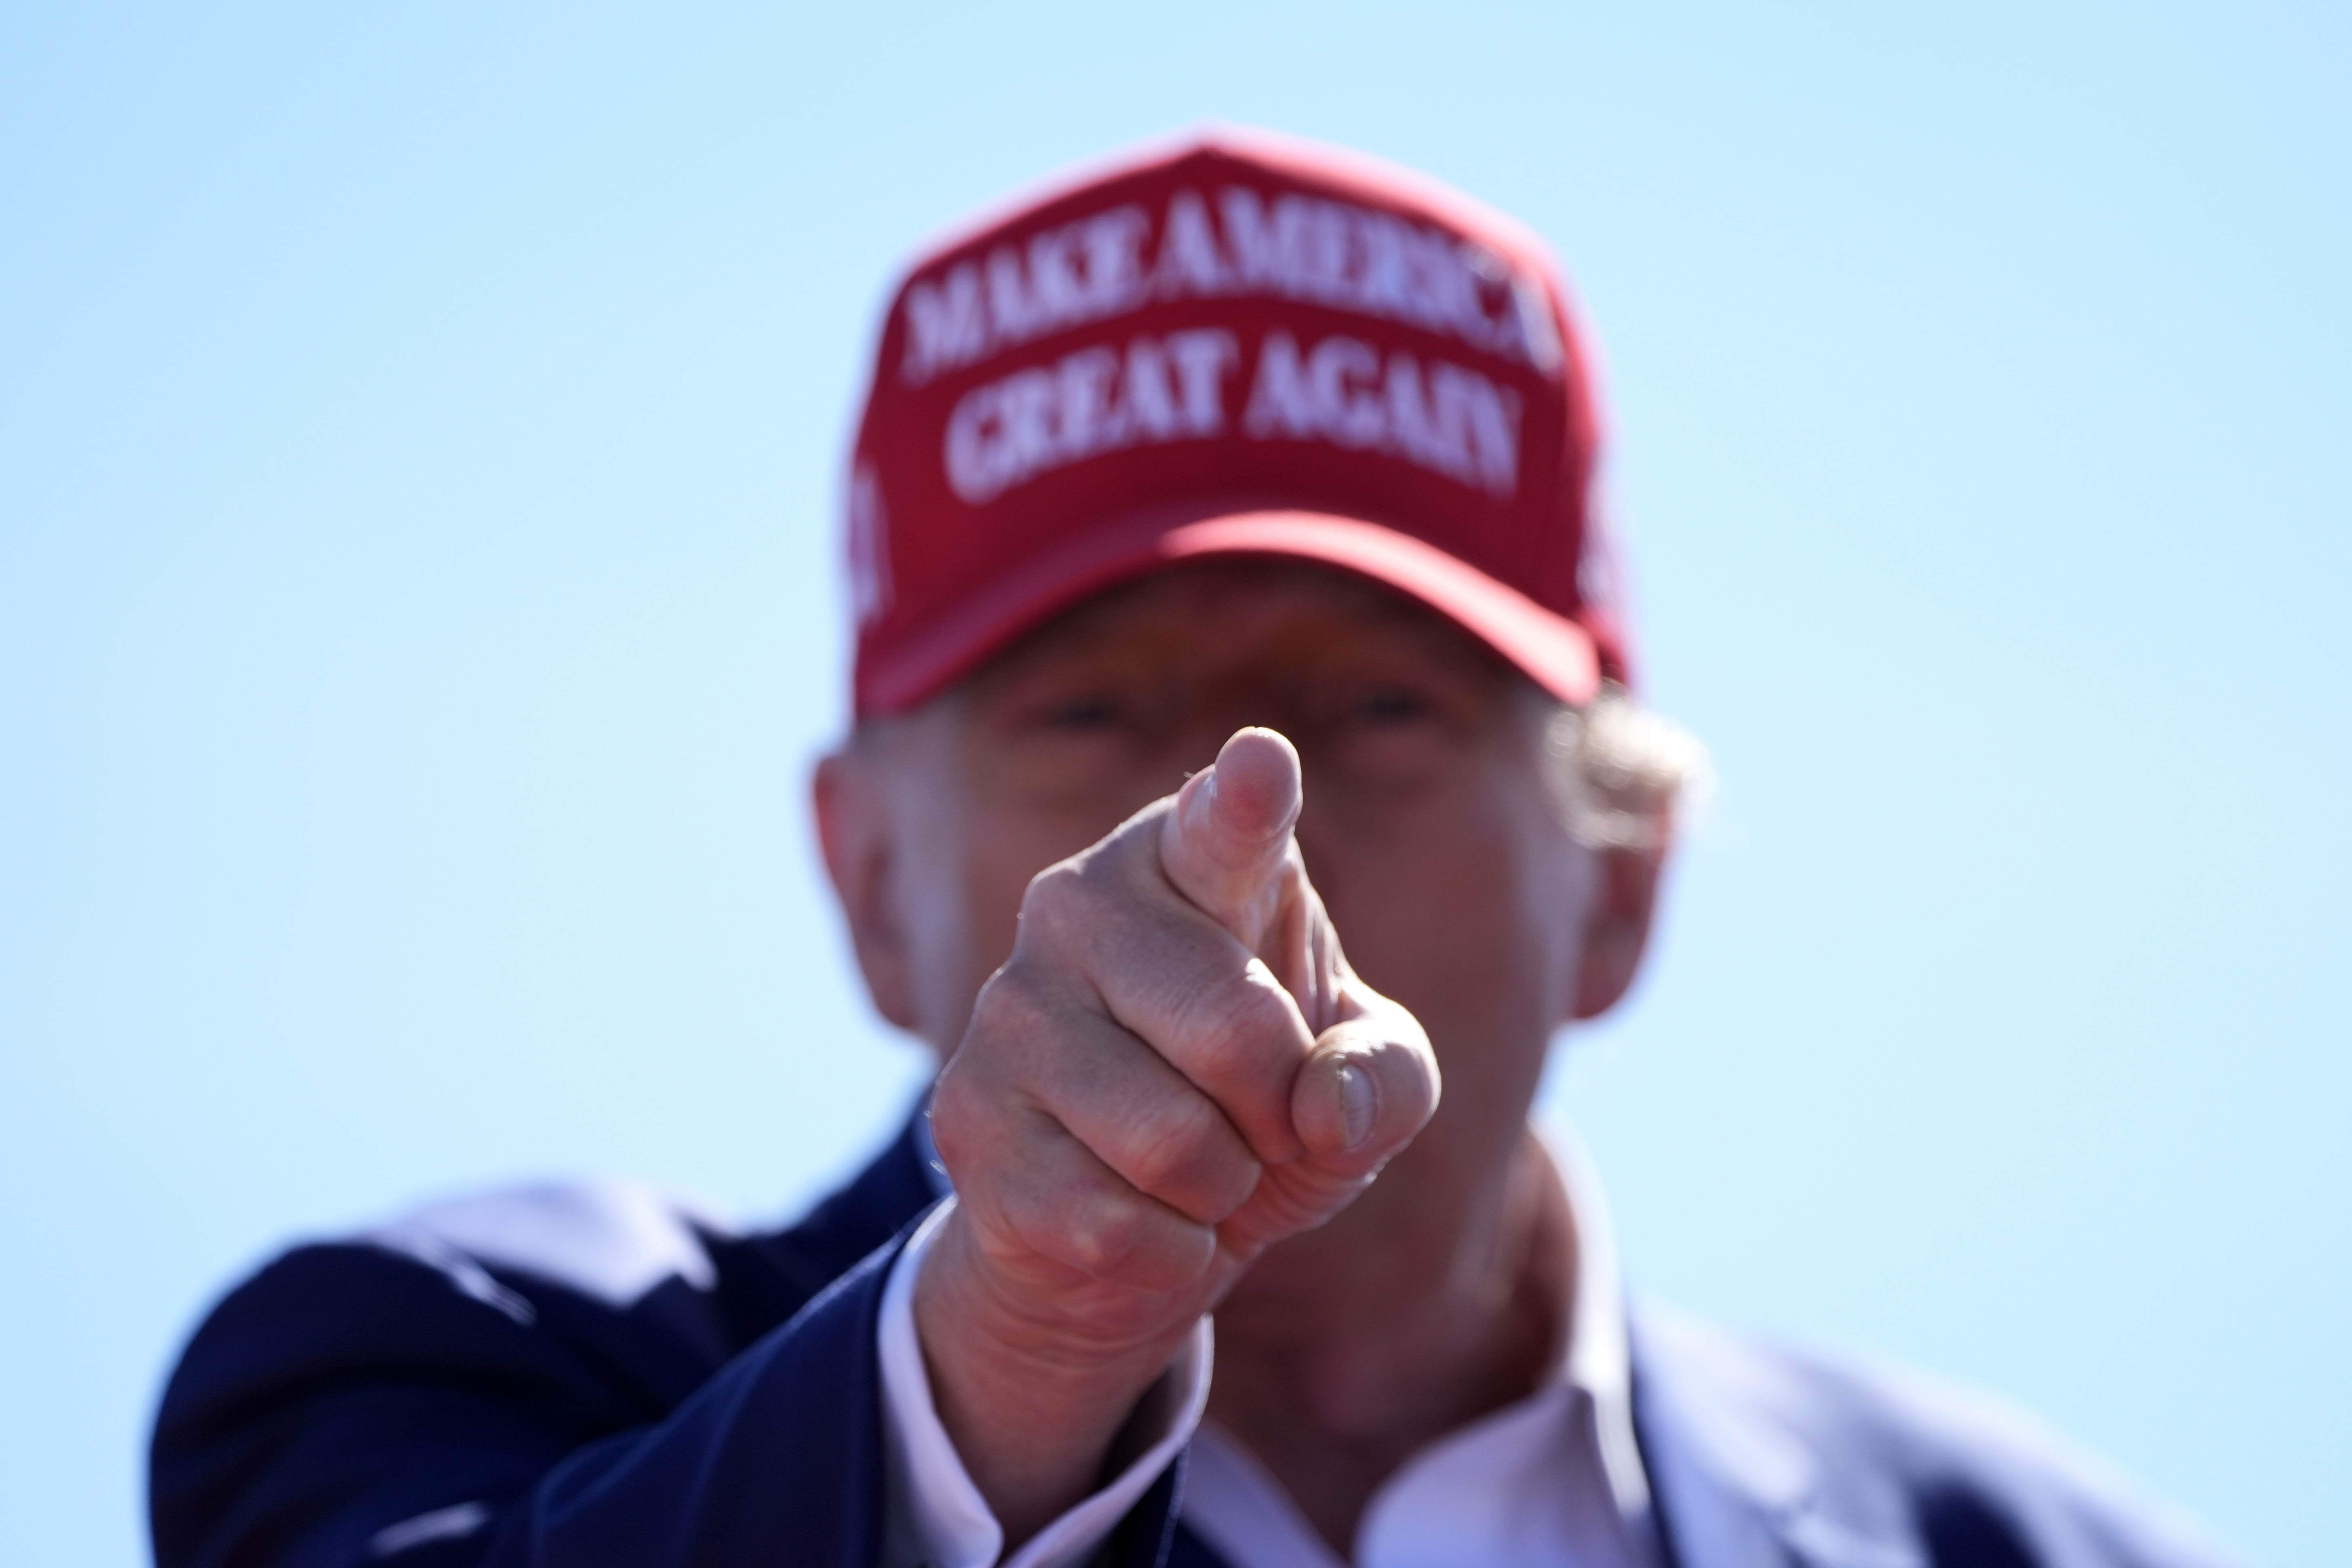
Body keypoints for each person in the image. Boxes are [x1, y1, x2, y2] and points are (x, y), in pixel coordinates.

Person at [150, 129, 2239, 1568]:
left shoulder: (2038, 1540)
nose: (1238, 825)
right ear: (868, 876)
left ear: (1618, 871)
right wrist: (1018, 1346)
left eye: (1383, 709)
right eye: (1086, 712)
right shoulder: (449, 1374)